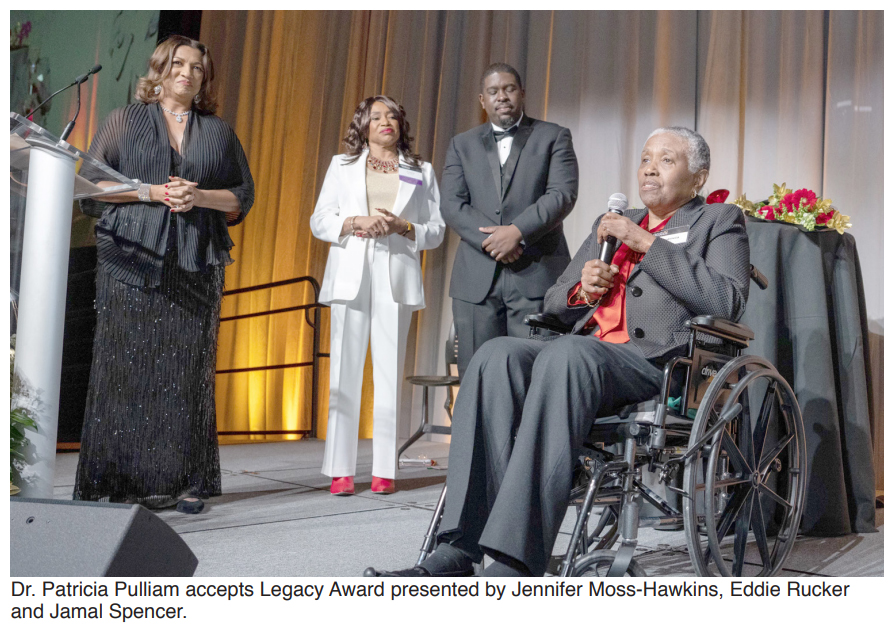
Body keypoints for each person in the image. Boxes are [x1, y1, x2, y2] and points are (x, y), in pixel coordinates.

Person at [371, 126, 750, 576]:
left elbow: (726, 301)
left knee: (568, 356)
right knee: (497, 357)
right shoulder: (611, 224)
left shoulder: (718, 221)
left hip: (656, 363)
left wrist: (646, 244)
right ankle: (458, 547)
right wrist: (582, 292)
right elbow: (552, 300)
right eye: (646, 158)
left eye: (666, 160)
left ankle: (514, 560)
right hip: (584, 353)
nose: (649, 168)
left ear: (698, 177)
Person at [73, 35, 254, 514]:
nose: (187, 73)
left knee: (188, 374)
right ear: (159, 69)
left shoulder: (218, 132)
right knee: (125, 371)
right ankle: (121, 480)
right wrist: (149, 193)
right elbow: (90, 186)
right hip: (129, 260)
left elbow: (242, 197)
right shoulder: (124, 121)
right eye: (178, 63)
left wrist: (200, 197)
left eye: (197, 67)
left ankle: (188, 480)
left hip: (195, 262)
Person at [310, 96, 445, 496]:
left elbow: (436, 228)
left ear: (401, 124)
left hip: (396, 274)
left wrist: (404, 227)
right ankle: (341, 470)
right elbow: (320, 220)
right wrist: (355, 222)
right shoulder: (343, 165)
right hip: (351, 271)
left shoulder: (420, 170)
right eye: (376, 116)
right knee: (345, 372)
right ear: (362, 126)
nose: (385, 121)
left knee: (388, 371)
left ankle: (385, 469)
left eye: (392, 116)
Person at [441, 63, 578, 378]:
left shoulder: (554, 136)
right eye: (493, 91)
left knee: (535, 373)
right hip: (476, 280)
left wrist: (517, 232)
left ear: (522, 94)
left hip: (537, 274)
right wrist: (495, 240)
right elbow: (451, 204)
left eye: (509, 89)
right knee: (477, 375)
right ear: (482, 100)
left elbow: (562, 195)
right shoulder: (462, 144)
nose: (501, 96)